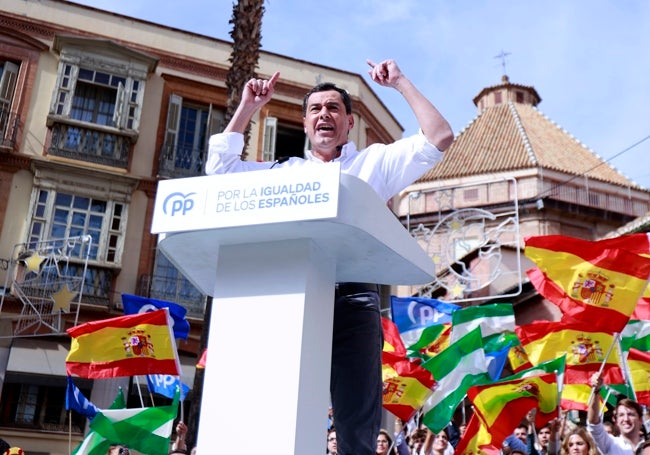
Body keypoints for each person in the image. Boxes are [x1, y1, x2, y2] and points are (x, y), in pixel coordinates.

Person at [205, 58, 453, 455]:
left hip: (354, 300)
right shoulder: (284, 172)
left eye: (334, 108)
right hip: (291, 297)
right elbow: (219, 173)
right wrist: (248, 108)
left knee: (356, 422)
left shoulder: (373, 163)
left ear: (348, 123)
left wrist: (401, 82)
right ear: (304, 124)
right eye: (315, 109)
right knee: (276, 411)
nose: (324, 115)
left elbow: (439, 136)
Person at [587, 372, 644, 454]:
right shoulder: (610, 444)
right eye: (621, 415)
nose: (626, 419)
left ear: (640, 419)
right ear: (615, 420)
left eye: (631, 414)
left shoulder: (647, 447)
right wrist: (596, 390)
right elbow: (593, 423)